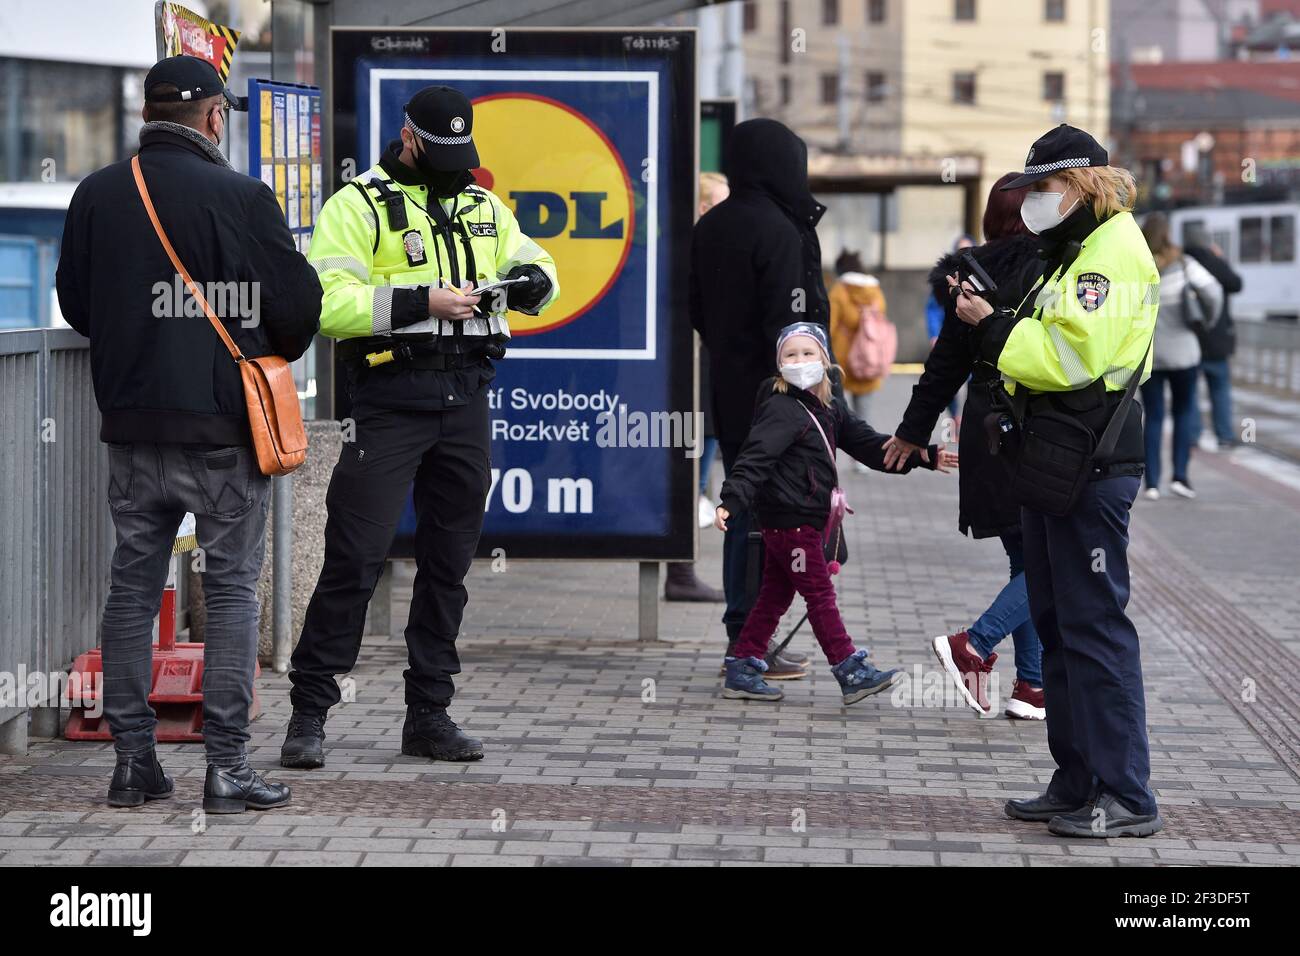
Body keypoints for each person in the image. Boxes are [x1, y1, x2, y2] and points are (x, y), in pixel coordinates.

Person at [55, 55, 322, 812]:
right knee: (233, 589)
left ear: (147, 116)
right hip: (222, 431)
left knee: (132, 588)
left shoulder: (97, 194)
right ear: (213, 117)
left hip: (133, 427)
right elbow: (299, 314)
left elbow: (78, 303)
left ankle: (134, 764)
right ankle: (228, 767)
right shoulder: (242, 196)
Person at [281, 86, 558, 769]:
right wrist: (419, 302)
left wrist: (528, 283)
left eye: (463, 154)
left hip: (466, 401)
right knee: (354, 558)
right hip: (389, 402)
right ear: (409, 140)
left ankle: (429, 715)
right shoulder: (359, 205)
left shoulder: (482, 204)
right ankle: (309, 714)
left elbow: (542, 266)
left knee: (448, 565)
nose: (455, 166)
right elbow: (326, 303)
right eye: (441, 153)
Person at [951, 124, 1163, 838]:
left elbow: (1069, 356)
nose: (1033, 200)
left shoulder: (1110, 255)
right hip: (1055, 460)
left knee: (1096, 630)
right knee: (1059, 624)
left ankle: (1126, 793)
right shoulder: (1071, 250)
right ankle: (1076, 780)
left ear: (1077, 185)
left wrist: (992, 328)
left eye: (1041, 188)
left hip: (1092, 463)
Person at [713, 323, 955, 703]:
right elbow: (754, 459)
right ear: (779, 366)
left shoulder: (829, 408)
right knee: (820, 596)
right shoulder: (779, 408)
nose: (799, 361)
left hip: (799, 520)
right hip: (789, 521)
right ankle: (850, 669)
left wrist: (923, 456)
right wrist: (731, 500)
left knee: (774, 597)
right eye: (790, 355)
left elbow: (873, 447)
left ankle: (742, 665)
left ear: (825, 360)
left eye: (808, 353)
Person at [883, 173, 1047, 720]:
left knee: (1027, 556)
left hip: (985, 426)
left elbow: (943, 367)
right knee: (1049, 562)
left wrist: (911, 432)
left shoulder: (966, 276)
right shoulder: (1050, 267)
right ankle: (975, 643)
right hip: (1033, 423)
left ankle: (1032, 686)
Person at [690, 119, 835, 680]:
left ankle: (743, 634)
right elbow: (795, 325)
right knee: (773, 515)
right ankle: (749, 645)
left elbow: (698, 310)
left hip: (728, 387)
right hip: (781, 399)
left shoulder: (712, 225)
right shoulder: (783, 229)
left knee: (742, 503)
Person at [664, 172, 729, 602]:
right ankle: (680, 570)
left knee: (698, 475)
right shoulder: (699, 250)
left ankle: (681, 568)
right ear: (704, 206)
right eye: (722, 203)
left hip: (704, 385)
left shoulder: (698, 248)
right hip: (696, 387)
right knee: (692, 475)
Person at [1139, 212, 1222, 501]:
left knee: (1153, 416)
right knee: (1184, 412)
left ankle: (1151, 483)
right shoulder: (1184, 263)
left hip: (1148, 355)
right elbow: (1214, 293)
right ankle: (1181, 477)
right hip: (1185, 353)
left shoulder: (1138, 264)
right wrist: (1206, 323)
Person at [829, 249, 894, 474]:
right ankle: (861, 459)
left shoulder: (839, 291)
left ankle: (830, 454)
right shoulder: (874, 290)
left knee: (836, 409)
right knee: (863, 413)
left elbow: (830, 322)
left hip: (842, 359)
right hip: (869, 358)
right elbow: (881, 316)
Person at [1183, 230, 1242, 450]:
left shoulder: (1183, 264)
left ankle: (1192, 435)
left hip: (1191, 339)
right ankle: (1225, 436)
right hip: (1217, 340)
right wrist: (1221, 260)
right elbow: (1236, 284)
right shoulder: (1215, 263)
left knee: (1190, 393)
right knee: (1220, 390)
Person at [924, 235, 975, 424]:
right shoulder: (945, 278)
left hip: (972, 337)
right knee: (947, 377)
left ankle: (967, 417)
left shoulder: (984, 276)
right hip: (951, 335)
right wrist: (935, 334)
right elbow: (933, 309)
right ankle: (955, 416)